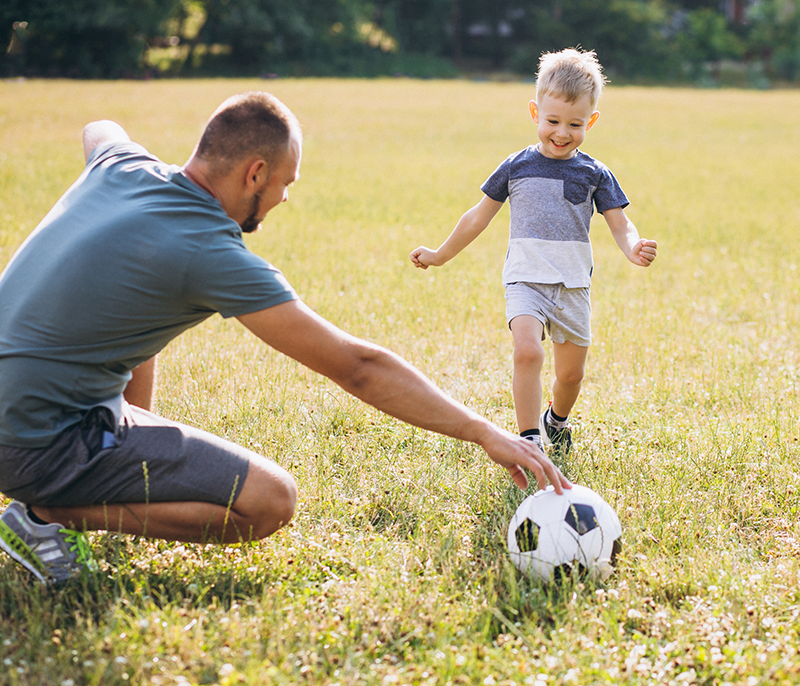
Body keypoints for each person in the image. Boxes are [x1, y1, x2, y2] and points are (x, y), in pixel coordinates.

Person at [0, 91, 571, 585]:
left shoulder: (120, 164)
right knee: (270, 500)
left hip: (19, 411)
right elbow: (358, 367)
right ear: (254, 173)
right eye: (283, 183)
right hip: (30, 443)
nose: (284, 198)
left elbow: (99, 129)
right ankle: (51, 510)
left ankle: (97, 468)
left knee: (139, 325)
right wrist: (481, 433)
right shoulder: (210, 253)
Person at [410, 49, 657, 457]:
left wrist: (633, 247)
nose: (562, 133)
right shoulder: (516, 166)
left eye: (575, 125)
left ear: (591, 121)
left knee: (571, 376)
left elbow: (620, 222)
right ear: (534, 112)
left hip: (573, 286)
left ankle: (556, 420)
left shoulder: (595, 173)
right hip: (525, 279)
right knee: (527, 350)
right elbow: (477, 217)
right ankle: (529, 441)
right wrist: (439, 254)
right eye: (552, 121)